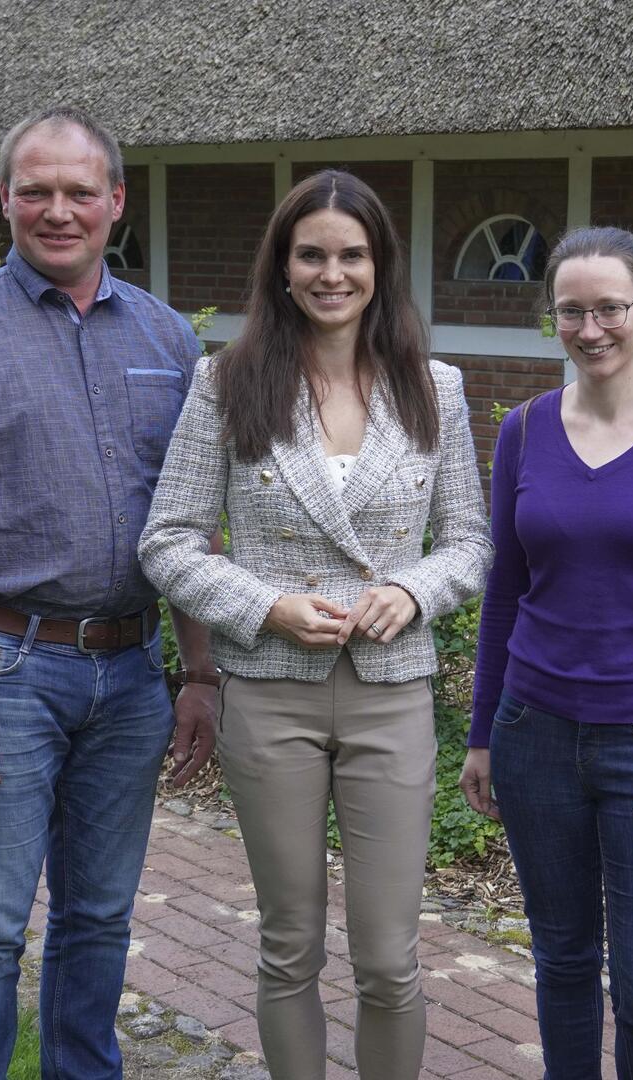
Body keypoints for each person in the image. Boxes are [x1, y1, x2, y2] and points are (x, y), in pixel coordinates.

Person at [0, 106, 216, 1079]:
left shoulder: (165, 336)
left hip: (129, 673)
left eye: (78, 192)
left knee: (100, 918)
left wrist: (200, 670)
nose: (57, 210)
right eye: (36, 191)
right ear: (5, 199)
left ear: (115, 201)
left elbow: (186, 522)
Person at [139, 169, 490, 1080]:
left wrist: (411, 592)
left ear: (380, 265)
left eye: (352, 254)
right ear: (283, 267)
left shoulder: (433, 387)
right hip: (272, 697)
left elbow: (468, 542)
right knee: (289, 943)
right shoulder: (227, 382)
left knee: (388, 957)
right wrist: (266, 607)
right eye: (312, 255)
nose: (332, 273)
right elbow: (169, 541)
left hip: (390, 696)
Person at [455, 226, 633, 1077]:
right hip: (533, 737)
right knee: (564, 963)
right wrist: (483, 734)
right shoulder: (525, 430)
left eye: (610, 308)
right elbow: (506, 592)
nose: (592, 330)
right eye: (572, 312)